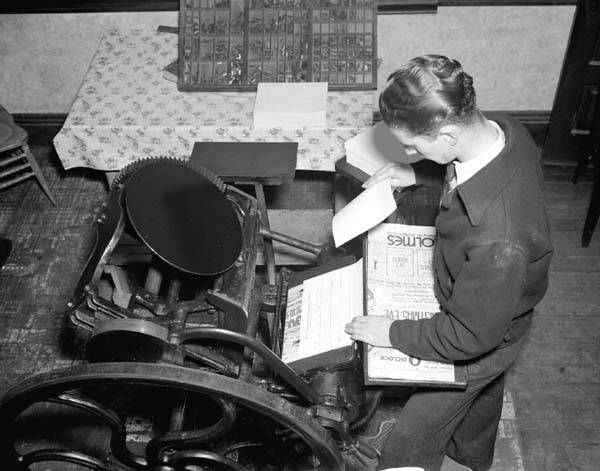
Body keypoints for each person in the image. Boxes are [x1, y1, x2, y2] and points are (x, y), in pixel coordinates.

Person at [344, 55, 553, 470]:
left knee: (412, 436)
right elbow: (470, 173)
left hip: (482, 330)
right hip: (499, 307)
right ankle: (470, 457)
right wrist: (419, 176)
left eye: (414, 145)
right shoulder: (505, 131)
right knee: (482, 393)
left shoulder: (499, 238)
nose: (407, 152)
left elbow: (467, 339)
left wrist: (392, 331)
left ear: (448, 133)